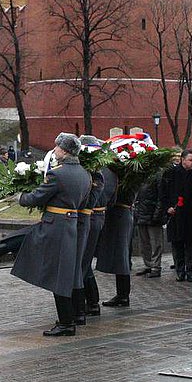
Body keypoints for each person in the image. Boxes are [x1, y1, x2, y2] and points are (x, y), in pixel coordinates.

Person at [11, 133, 92, 336]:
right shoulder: (85, 174)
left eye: (57, 147)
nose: (54, 151)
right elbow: (83, 203)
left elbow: (37, 197)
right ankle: (69, 318)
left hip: (55, 226)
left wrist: (20, 197)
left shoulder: (58, 174)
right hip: (71, 225)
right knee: (64, 272)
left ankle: (66, 324)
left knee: (57, 274)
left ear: (64, 150)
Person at [96, 141, 138, 308]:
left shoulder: (124, 174)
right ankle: (122, 294)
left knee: (122, 258)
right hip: (122, 214)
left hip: (120, 214)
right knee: (122, 257)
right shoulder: (130, 173)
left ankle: (123, 296)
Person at [77, 136, 107, 321]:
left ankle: (84, 307)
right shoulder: (94, 171)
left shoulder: (97, 174)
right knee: (84, 264)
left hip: (91, 218)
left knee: (82, 264)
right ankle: (92, 303)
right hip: (93, 217)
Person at [166, 149, 192, 281]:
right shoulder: (171, 173)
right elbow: (164, 192)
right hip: (176, 214)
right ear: (182, 160)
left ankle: (190, 271)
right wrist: (168, 207)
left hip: (191, 215)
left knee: (190, 245)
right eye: (191, 160)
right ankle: (180, 271)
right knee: (177, 244)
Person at [133, 169, 166, 278]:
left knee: (155, 243)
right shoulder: (140, 175)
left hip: (152, 214)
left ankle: (156, 267)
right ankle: (148, 265)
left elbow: (161, 197)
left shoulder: (158, 175)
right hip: (141, 214)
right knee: (144, 243)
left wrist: (157, 214)